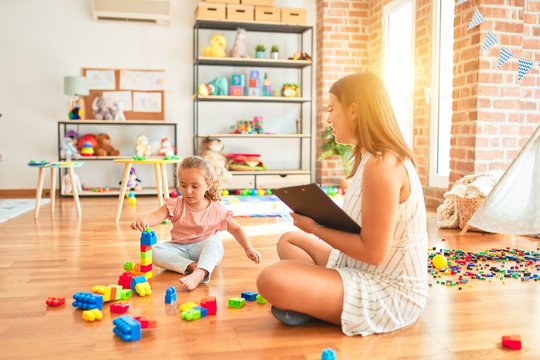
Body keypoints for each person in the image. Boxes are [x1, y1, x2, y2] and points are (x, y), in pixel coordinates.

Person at [256, 72, 428, 336]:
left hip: (388, 289)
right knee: (289, 240)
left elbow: (374, 253)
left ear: (354, 110)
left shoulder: (383, 165)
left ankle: (315, 300)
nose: (328, 118)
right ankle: (316, 299)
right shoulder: (369, 158)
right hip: (356, 265)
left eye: (331, 109)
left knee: (271, 278)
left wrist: (315, 228)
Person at [131, 156, 261, 291]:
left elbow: (236, 229)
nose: (188, 191)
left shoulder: (217, 209)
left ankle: (200, 274)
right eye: (183, 185)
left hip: (204, 246)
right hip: (179, 248)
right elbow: (155, 216)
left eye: (195, 186)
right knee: (152, 251)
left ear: (208, 184)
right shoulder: (175, 204)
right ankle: (192, 266)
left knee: (214, 243)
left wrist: (248, 248)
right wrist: (144, 221)